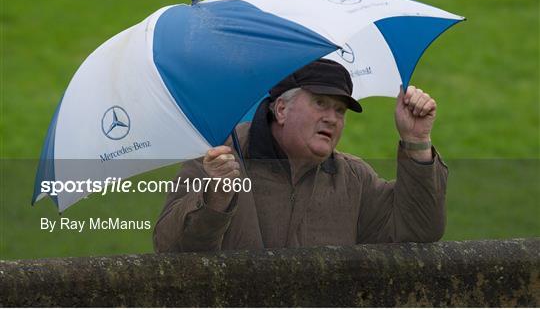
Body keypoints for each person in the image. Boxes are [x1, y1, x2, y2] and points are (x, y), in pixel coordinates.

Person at [153, 59, 447, 252]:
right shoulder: (218, 161)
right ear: (281, 109)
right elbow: (170, 248)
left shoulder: (353, 178)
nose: (332, 119)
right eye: (321, 103)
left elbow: (419, 231)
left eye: (340, 110)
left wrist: (417, 141)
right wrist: (215, 198)